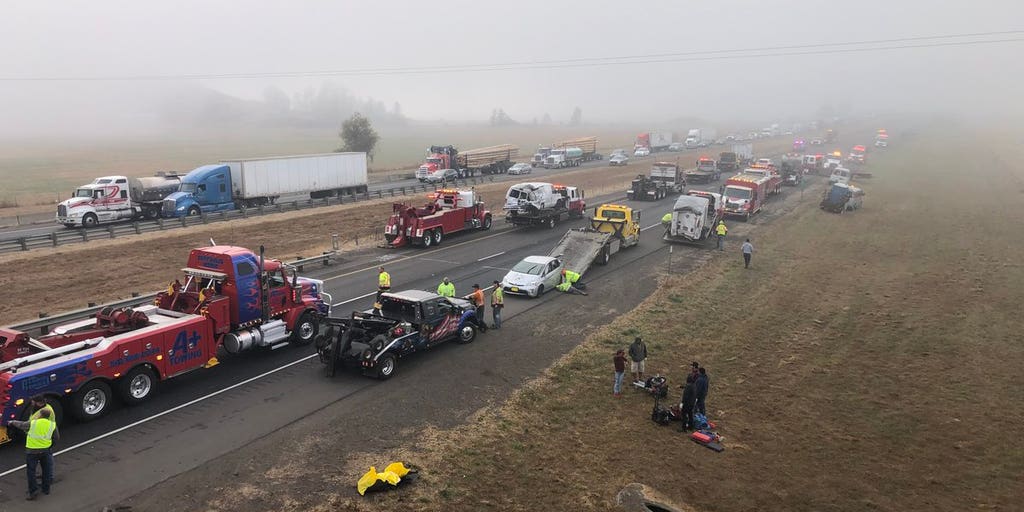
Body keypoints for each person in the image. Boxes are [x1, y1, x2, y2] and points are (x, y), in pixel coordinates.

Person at [9, 408, 58, 500]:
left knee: (31, 472)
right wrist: (49, 446)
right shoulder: (52, 425)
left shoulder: (34, 423)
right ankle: (46, 489)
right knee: (46, 471)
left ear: (40, 415)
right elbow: (56, 438)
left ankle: (33, 492)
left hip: (32, 452)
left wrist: (12, 422)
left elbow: (21, 425)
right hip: (45, 451)